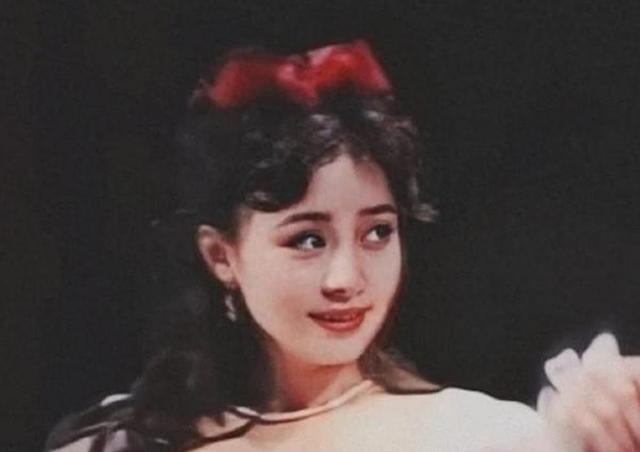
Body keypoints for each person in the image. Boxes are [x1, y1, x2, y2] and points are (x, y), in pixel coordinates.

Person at [45, 40, 570, 452]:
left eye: (377, 232)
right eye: (308, 240)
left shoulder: (481, 435)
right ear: (221, 256)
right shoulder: (122, 440)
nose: (347, 279)